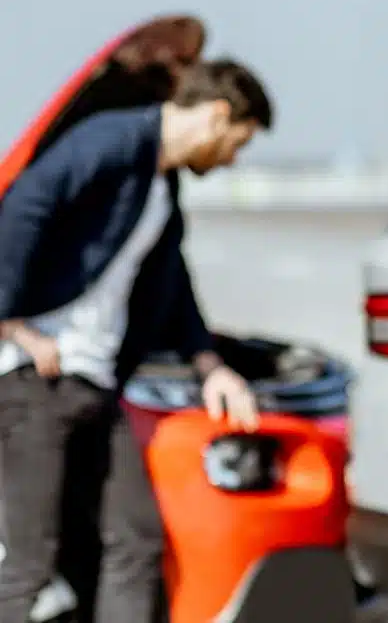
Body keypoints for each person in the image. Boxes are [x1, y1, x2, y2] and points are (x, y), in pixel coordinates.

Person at [0, 58, 273, 622]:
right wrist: (12, 323)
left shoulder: (160, 186)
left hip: (94, 383)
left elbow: (173, 287)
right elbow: (25, 204)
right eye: (238, 142)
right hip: (35, 380)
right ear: (218, 115)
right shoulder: (114, 139)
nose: (232, 159)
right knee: (29, 563)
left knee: (135, 540)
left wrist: (211, 366)